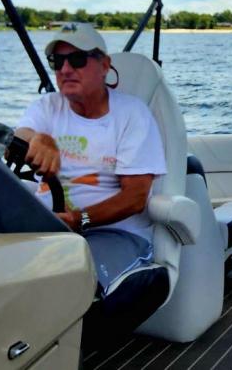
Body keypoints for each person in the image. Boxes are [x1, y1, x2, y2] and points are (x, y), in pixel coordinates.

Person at [15, 23, 167, 297]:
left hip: (115, 233)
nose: (65, 69)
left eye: (77, 59)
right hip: (46, 228)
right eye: (57, 61)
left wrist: (79, 219)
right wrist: (38, 139)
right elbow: (18, 138)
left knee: (75, 280)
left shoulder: (132, 115)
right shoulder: (46, 107)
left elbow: (135, 198)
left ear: (104, 65)